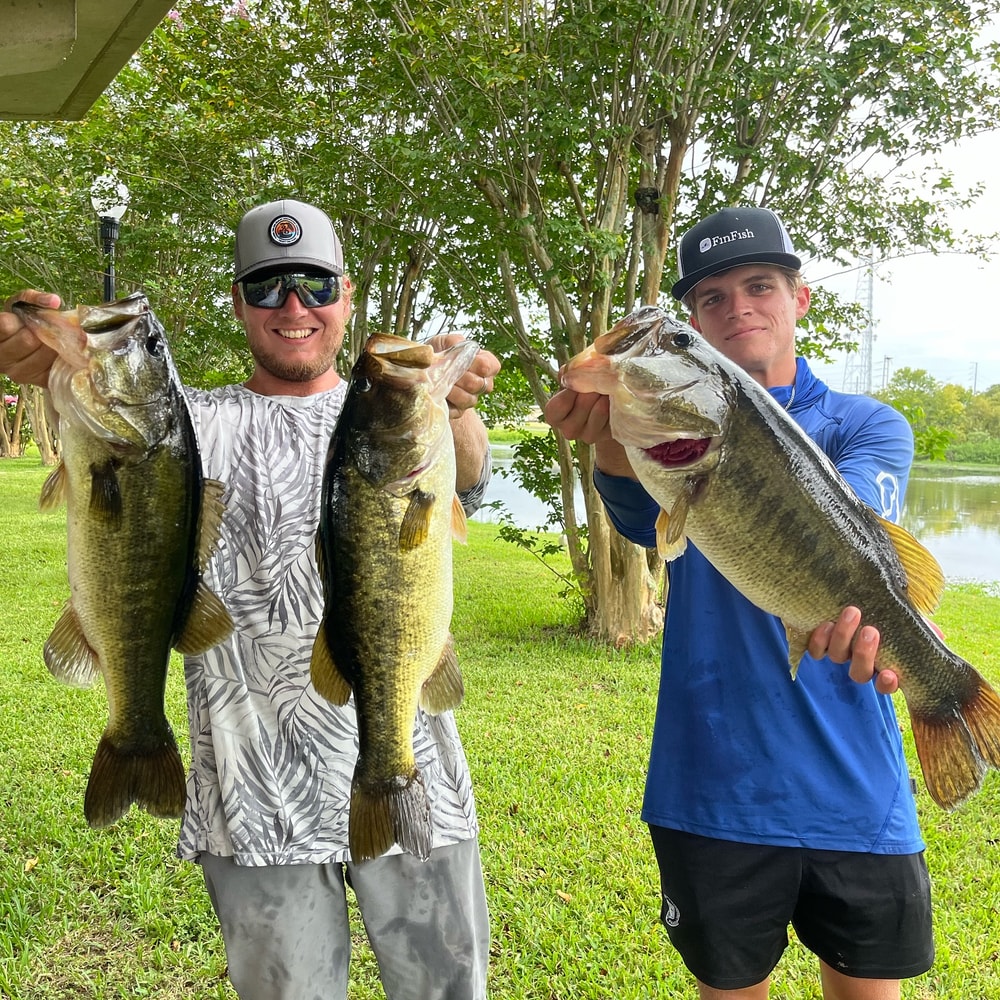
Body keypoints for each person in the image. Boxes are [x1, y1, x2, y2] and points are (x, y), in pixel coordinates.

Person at [0, 198, 500, 1000]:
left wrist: (455, 404)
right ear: (238, 303)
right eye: (267, 287)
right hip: (252, 795)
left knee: (448, 989)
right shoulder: (186, 422)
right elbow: (107, 408)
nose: (293, 306)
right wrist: (41, 354)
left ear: (345, 295)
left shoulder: (385, 410)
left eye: (314, 284)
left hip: (414, 778)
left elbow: (464, 474)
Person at [544, 206, 934, 1000]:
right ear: (695, 322)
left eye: (760, 286)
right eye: (712, 299)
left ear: (800, 298)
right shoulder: (665, 440)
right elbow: (642, 523)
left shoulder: (867, 425)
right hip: (711, 787)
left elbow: (854, 538)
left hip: (857, 792)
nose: (739, 308)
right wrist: (613, 431)